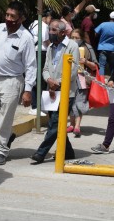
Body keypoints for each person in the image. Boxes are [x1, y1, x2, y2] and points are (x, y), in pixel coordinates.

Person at [0, 1, 36, 165]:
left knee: (5, 117)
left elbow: (31, 65)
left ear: (21, 18)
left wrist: (28, 90)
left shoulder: (26, 37)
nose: (8, 18)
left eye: (12, 16)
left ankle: (1, 151)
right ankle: (7, 136)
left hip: (13, 81)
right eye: (7, 15)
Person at [31, 20, 79, 164]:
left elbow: (73, 70)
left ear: (63, 32)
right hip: (51, 91)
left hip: (66, 92)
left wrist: (58, 82)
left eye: (54, 30)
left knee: (55, 123)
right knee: (57, 123)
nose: (50, 33)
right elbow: (45, 68)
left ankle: (41, 153)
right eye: (50, 30)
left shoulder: (72, 46)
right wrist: (49, 80)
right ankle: (68, 152)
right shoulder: (51, 46)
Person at [67, 29, 98, 137]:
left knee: (79, 102)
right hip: (69, 78)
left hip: (83, 79)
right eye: (72, 37)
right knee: (70, 102)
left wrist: (86, 62)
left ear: (82, 38)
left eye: (77, 38)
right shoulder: (67, 46)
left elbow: (95, 66)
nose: (74, 40)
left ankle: (77, 126)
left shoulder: (88, 48)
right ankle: (71, 124)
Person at [28, 8, 52, 116]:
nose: (50, 20)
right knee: (40, 80)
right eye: (50, 17)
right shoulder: (44, 26)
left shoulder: (32, 25)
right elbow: (46, 41)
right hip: (41, 53)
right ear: (45, 17)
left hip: (33, 53)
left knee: (36, 78)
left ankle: (39, 105)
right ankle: (36, 106)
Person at [94, 11, 114, 76]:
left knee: (102, 66)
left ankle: (101, 81)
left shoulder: (103, 24)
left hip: (102, 47)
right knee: (113, 66)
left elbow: (96, 33)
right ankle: (112, 81)